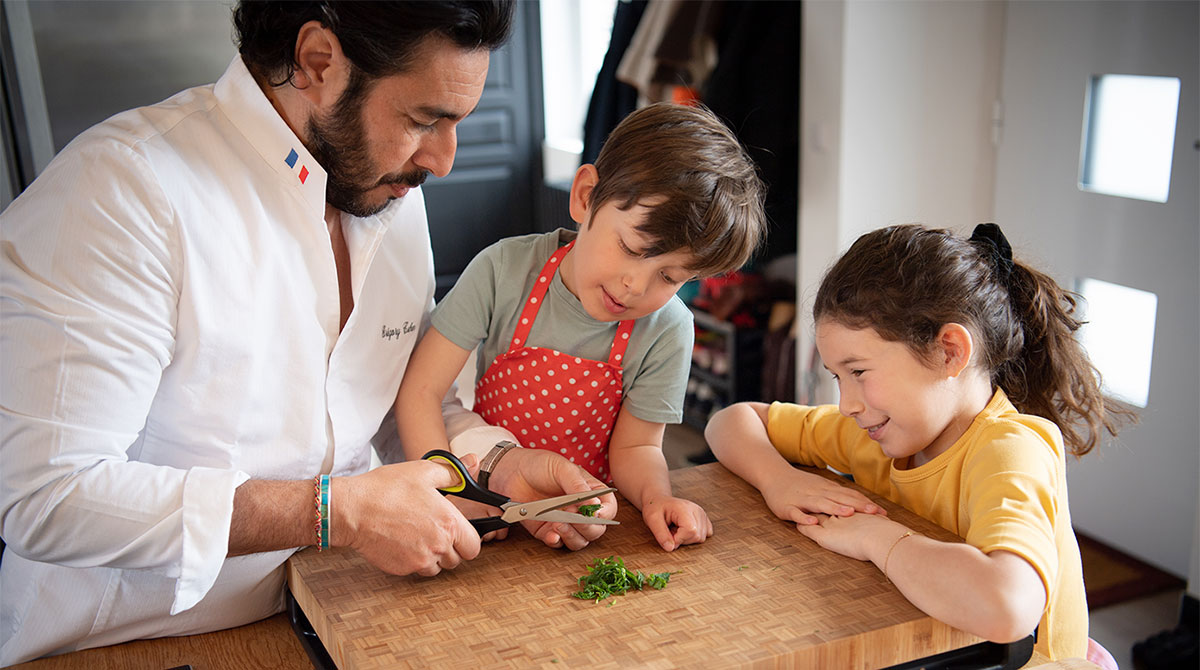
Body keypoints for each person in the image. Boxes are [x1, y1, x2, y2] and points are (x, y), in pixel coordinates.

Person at [0, 2, 617, 665]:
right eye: (423, 120)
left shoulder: (381, 187)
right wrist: (336, 512)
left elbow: (395, 390)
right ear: (319, 62)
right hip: (135, 641)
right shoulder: (122, 193)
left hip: (337, 609)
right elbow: (47, 497)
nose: (442, 160)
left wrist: (492, 467)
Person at [705, 224, 1134, 663]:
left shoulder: (1009, 449)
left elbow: (1008, 607)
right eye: (838, 377)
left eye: (859, 373)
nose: (847, 404)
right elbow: (732, 421)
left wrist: (877, 538)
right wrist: (780, 481)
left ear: (949, 352)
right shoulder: (875, 430)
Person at [395, 102, 767, 552]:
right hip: (483, 507)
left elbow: (636, 450)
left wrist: (657, 499)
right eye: (632, 247)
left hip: (584, 525)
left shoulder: (668, 330)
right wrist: (452, 493)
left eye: (670, 278)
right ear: (585, 196)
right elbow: (421, 392)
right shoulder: (503, 270)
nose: (635, 286)